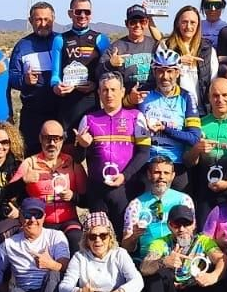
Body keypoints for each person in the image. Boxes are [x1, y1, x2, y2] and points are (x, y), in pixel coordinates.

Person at [76, 72, 151, 232]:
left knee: (125, 236)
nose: (109, 94)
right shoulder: (88, 119)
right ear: (99, 93)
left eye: (113, 90)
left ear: (123, 91)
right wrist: (82, 146)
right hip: (98, 191)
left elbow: (144, 153)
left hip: (126, 188)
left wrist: (125, 176)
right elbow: (77, 158)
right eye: (104, 90)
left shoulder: (136, 117)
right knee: (99, 238)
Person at [140, 202, 226, 292]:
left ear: (194, 225)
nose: (181, 229)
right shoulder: (160, 243)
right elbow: (144, 268)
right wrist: (163, 262)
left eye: (186, 224)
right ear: (169, 225)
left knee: (224, 274)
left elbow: (223, 260)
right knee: (156, 274)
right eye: (176, 225)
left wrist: (213, 276)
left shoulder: (203, 241)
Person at [0, 198, 69, 292]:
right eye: (27, 214)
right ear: (20, 216)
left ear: (44, 217)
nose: (32, 220)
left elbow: (66, 266)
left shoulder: (56, 237)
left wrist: (50, 263)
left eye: (37, 215)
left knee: (53, 274)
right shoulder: (10, 244)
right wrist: (2, 290)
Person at [12, 119, 86, 247]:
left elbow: (88, 200)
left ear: (62, 140)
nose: (52, 143)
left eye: (56, 139)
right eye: (47, 138)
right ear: (40, 139)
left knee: (76, 239)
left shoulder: (73, 163)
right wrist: (23, 181)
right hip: (39, 222)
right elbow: (9, 194)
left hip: (68, 221)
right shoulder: (29, 163)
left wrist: (73, 196)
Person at [139, 49, 202, 184]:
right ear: (154, 73)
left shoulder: (187, 97)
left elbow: (194, 138)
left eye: (170, 71)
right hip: (147, 162)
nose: (165, 76)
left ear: (178, 72)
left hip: (175, 164)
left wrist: (164, 128)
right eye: (160, 71)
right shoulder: (143, 94)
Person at [185, 76, 227, 212]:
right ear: (209, 98)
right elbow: (188, 162)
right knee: (204, 232)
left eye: (225, 95)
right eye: (215, 95)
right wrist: (196, 150)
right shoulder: (198, 124)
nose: (220, 100)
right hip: (204, 189)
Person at [9, 2, 59, 154]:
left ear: (53, 19)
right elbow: (12, 77)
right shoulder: (22, 46)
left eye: (47, 19)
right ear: (30, 21)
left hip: (60, 111)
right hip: (33, 114)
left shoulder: (62, 42)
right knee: (31, 156)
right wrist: (24, 80)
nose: (43, 24)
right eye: (38, 20)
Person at [52, 0, 110, 128]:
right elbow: (55, 74)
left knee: (90, 142)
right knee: (68, 144)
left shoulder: (100, 39)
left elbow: (108, 72)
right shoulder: (60, 39)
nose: (82, 15)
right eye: (78, 12)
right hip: (66, 100)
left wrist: (95, 84)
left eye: (87, 12)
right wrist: (56, 87)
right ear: (70, 13)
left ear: (91, 15)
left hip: (90, 100)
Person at [163, 5, 217, 113]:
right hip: (174, 110)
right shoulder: (165, 45)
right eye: (184, 22)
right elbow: (157, 72)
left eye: (193, 22)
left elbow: (214, 81)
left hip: (201, 111)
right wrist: (176, 61)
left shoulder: (208, 50)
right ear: (178, 23)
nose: (188, 26)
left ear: (198, 25)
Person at [106, 5, 158, 107]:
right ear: (126, 24)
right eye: (133, 22)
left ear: (146, 23)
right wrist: (110, 64)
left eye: (142, 21)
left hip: (154, 103)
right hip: (127, 104)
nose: (137, 25)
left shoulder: (156, 46)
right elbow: (99, 73)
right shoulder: (116, 47)